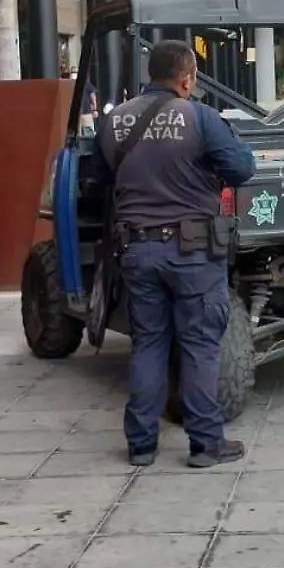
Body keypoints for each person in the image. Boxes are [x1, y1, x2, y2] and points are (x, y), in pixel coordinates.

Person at [98, 40, 257, 469]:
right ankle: (206, 444)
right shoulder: (199, 118)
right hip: (192, 251)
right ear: (187, 79)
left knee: (148, 343)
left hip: (137, 248)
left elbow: (101, 176)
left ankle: (142, 445)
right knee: (200, 345)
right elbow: (241, 169)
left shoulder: (114, 121)